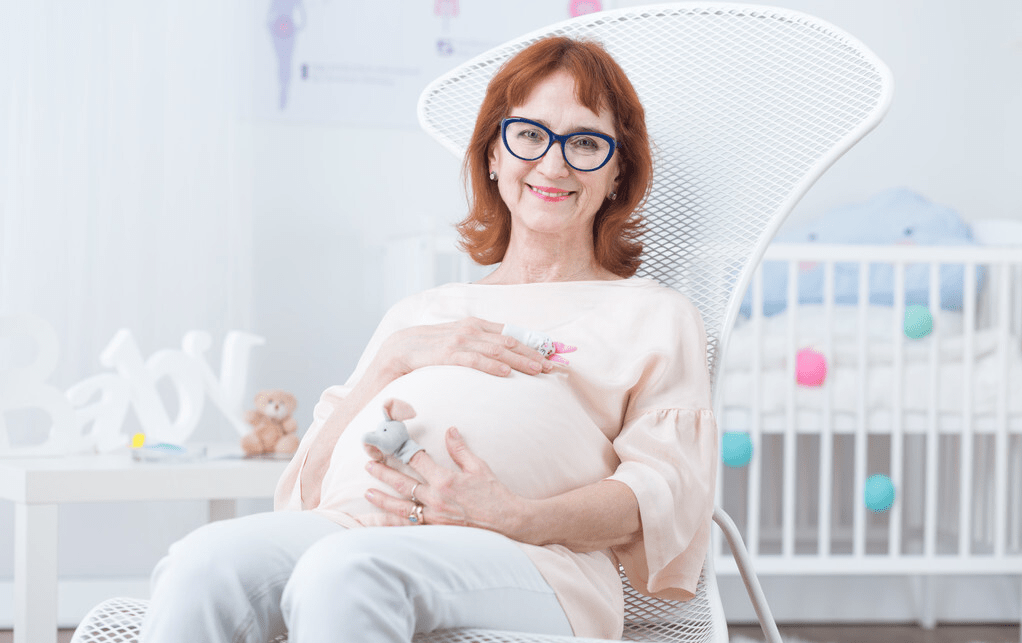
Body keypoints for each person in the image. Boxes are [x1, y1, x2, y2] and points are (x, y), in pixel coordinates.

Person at [139, 36, 717, 643]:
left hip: (535, 559)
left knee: (347, 574)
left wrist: (516, 516)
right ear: (493, 154)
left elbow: (663, 492)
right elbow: (307, 490)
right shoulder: (423, 312)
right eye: (529, 135)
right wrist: (392, 359)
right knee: (202, 565)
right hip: (353, 527)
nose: (553, 164)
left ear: (617, 171)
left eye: (586, 142)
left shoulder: (654, 314)